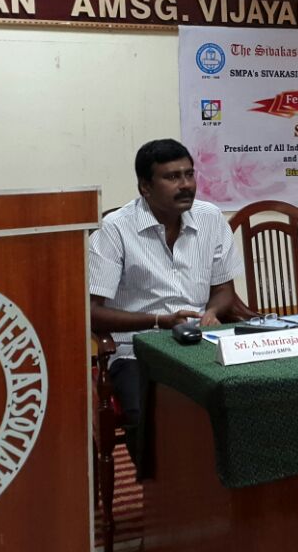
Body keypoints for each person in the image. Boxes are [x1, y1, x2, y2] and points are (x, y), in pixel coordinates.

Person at [88, 138, 245, 463]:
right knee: (148, 416)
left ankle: (224, 482)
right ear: (145, 187)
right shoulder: (114, 229)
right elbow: (91, 312)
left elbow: (224, 290)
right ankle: (163, 490)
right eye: (172, 177)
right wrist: (159, 321)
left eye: (189, 174)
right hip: (136, 350)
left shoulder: (211, 218)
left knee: (247, 399)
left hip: (202, 342)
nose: (186, 184)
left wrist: (213, 311)